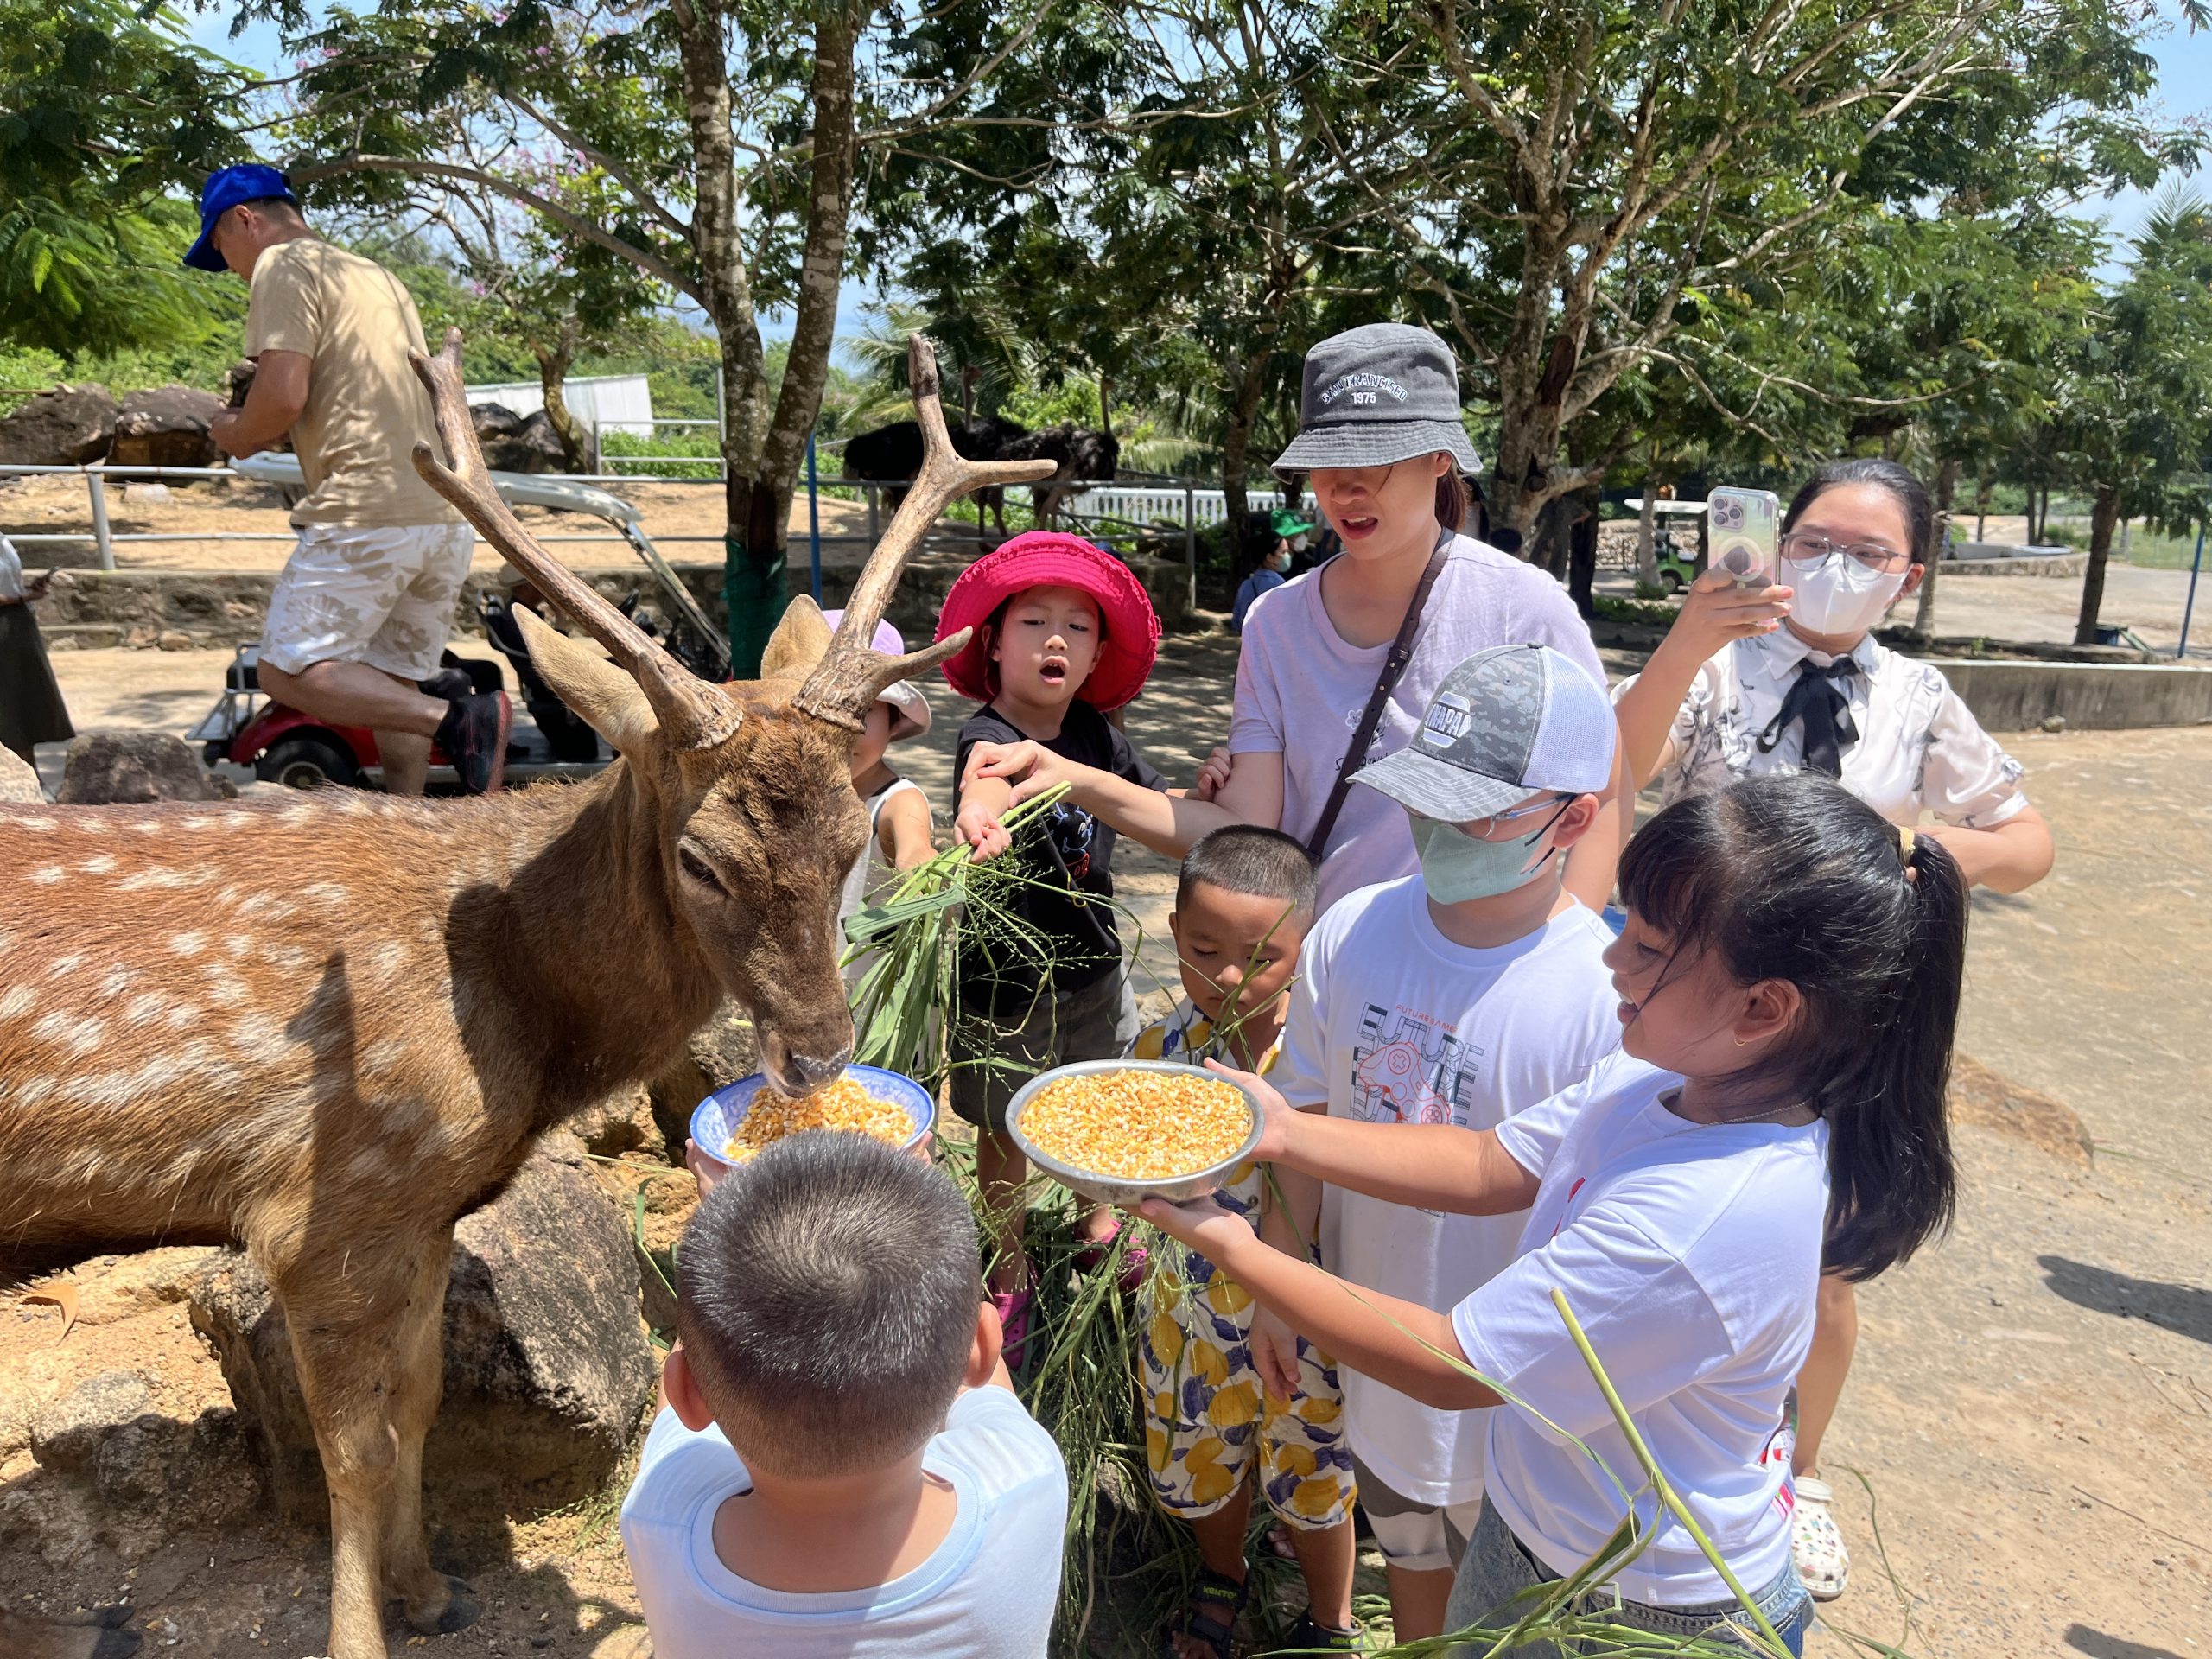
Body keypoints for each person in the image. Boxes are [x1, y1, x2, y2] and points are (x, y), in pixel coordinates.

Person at [1137, 772, 1969, 1658]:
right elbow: (1490, 1160)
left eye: (1647, 949)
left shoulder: (1696, 1219)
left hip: (1636, 1606)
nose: (1611, 958)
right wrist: (1285, 1133)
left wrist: (1230, 1243)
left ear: (1761, 1008)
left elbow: (1455, 1365)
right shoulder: (1666, 1078)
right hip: (1542, 1529)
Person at [1611, 457, 2056, 1599]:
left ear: (1907, 575)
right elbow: (1614, 768)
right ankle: (1657, 1438)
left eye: (1867, 553)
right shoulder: (1717, 668)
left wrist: (1915, 853)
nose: (1833, 568)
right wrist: (1685, 641)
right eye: (1812, 542)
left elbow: (2028, 839)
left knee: (1820, 1262)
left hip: (1847, 1019)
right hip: (1696, 1000)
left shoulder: (1918, 696)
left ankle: (1795, 1475)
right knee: (1655, 1206)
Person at [961, 323, 1624, 915]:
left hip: (1475, 977)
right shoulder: (1275, 621)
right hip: (1317, 974)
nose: (1344, 488)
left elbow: (1602, 790)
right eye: (1327, 461)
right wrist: (1068, 776)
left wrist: (1573, 964)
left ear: (1439, 459)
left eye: (1376, 460)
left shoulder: (1524, 606)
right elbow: (1249, 829)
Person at [1261, 643, 1623, 1646]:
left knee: (1510, 1614)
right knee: (1409, 1558)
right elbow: (1302, 1132)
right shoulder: (1352, 930)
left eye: (1473, 813)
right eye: (1423, 798)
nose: (1435, 829)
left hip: (1522, 1408)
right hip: (1379, 1361)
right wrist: (1277, 1285)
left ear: (1573, 820)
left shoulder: (1603, 997)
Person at [621, 1130, 1067, 1656]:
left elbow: (684, 1399)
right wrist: (920, 1204)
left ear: (689, 1394)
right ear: (982, 1342)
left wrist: (720, 1232)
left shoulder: (663, 1516)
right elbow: (985, 1380)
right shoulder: (1024, 1481)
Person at [188, 163, 510, 795]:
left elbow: (279, 399)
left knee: (286, 671)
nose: (229, 268)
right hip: (439, 514)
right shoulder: (375, 276)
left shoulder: (284, 266)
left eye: (221, 249)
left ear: (243, 219)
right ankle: (407, 823)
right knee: (393, 680)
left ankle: (460, 718)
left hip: (365, 510)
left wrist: (234, 432)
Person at [1128, 826, 1362, 1657]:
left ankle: (1329, 1619)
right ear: (1173, 934)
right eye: (1203, 947)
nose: (1228, 975)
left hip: (1302, 1318)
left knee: (1315, 1470)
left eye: (1261, 957)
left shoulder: (1326, 1061)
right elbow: (1126, 1156)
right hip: (1188, 1311)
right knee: (1204, 1456)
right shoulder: (1158, 1051)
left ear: (1306, 947)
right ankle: (1223, 1577)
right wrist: (1106, 1219)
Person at [938, 531, 1166, 1361]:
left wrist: (1198, 789)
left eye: (1079, 625)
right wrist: (975, 810)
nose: (1056, 639)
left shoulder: (1100, 737)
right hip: (1005, 982)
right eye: (1033, 621)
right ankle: (1008, 1264)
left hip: (1095, 965)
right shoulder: (986, 730)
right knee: (1002, 1129)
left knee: (1094, 1102)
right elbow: (985, 776)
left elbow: (1147, 801)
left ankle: (1096, 1225)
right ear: (995, 644)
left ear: (1100, 651)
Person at [823, 608, 937, 989]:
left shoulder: (896, 802)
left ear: (894, 720)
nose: (843, 729)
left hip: (874, 1009)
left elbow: (914, 849)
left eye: (863, 710)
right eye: (825, 710)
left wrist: (922, 871)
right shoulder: (790, 802)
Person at [0, 534, 73, 769]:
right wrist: (24, 596)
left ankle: (30, 771)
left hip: (19, 623)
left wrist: (27, 589)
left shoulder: (4, 541)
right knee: (8, 699)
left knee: (25, 697)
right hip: (5, 624)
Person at [1230, 512, 1311, 635]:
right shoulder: (1280, 586)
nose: (1287, 556)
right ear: (1270, 558)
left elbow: (1236, 621)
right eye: (1283, 553)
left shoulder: (1246, 584)